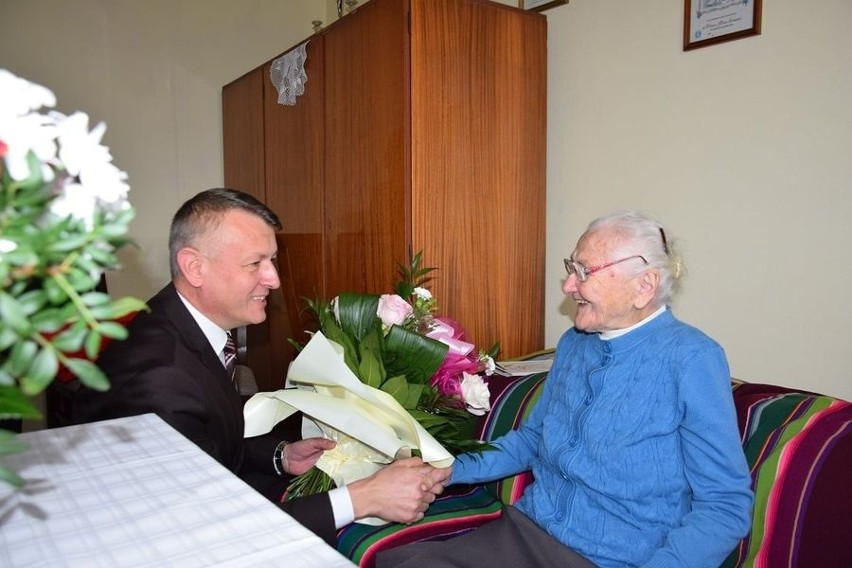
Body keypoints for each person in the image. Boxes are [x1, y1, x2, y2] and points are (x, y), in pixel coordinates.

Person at [73, 188, 450, 547]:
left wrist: (280, 456)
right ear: (194, 267)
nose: (274, 279)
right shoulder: (157, 376)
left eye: (271, 261)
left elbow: (203, 441)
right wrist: (362, 499)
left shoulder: (182, 326)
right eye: (255, 263)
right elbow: (206, 530)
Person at [377, 210, 754, 568]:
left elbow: (725, 505)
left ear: (644, 286)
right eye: (570, 268)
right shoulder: (576, 342)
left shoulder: (692, 359)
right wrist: (447, 469)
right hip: (526, 533)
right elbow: (534, 439)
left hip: (610, 559)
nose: (568, 285)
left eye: (583, 271)